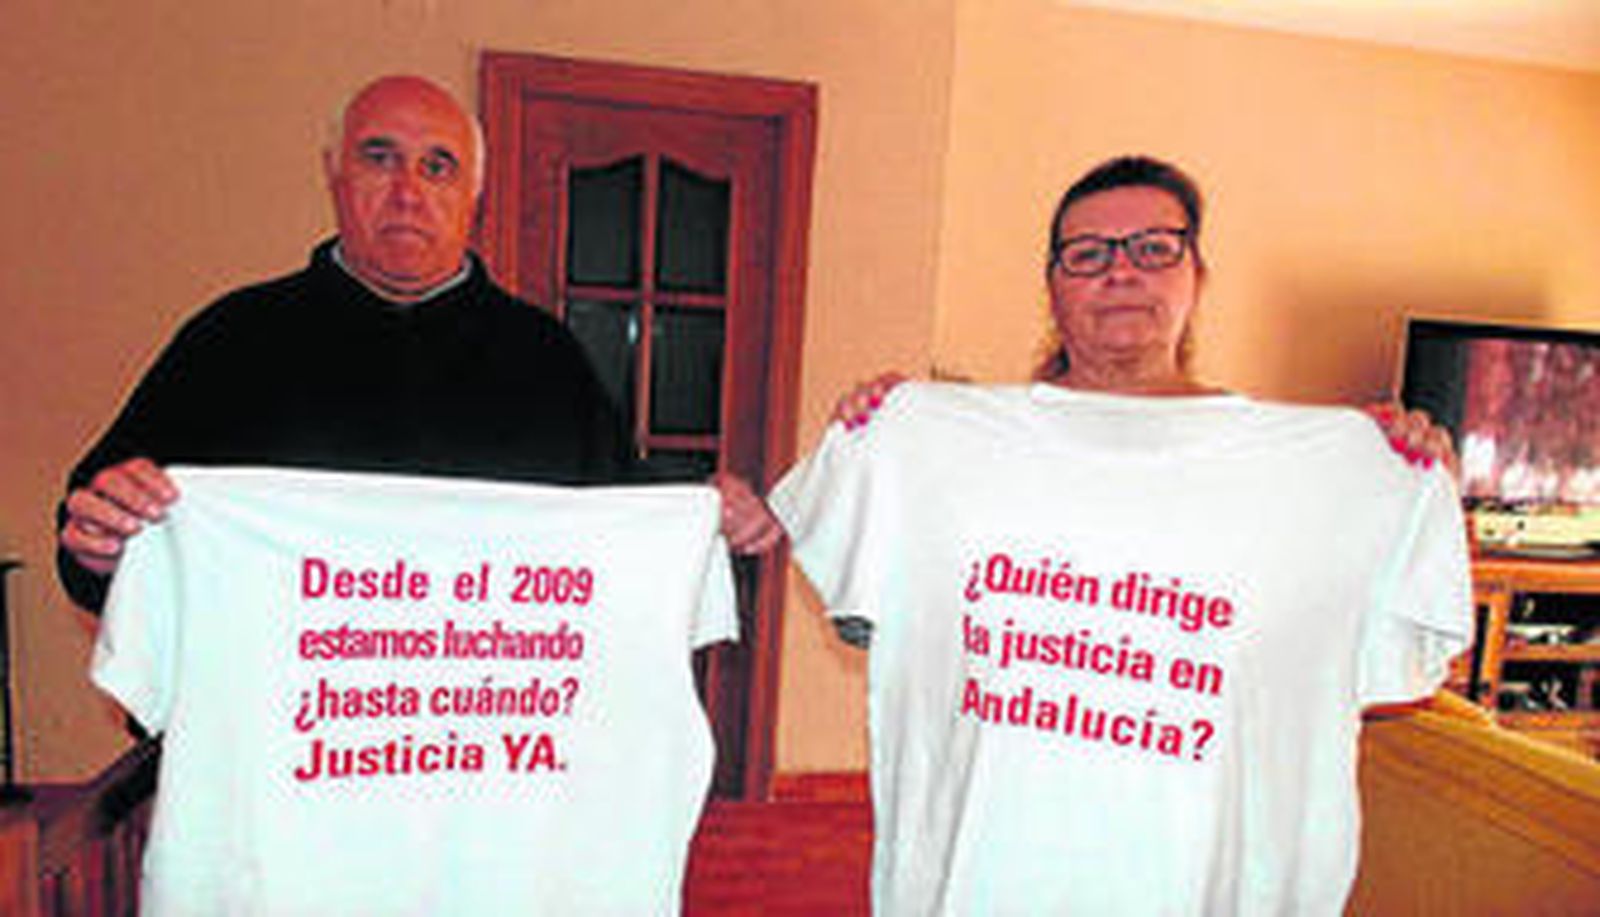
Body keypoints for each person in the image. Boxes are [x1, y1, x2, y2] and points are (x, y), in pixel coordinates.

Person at [768, 156, 1473, 914]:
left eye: (1154, 247)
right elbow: (874, 622)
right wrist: (880, 443)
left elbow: (1380, 672)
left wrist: (1404, 484)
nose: (1121, 271)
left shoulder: (1327, 475)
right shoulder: (929, 441)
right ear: (1052, 286)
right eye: (1088, 253)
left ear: (1197, 274)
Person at [56, 74, 778, 612]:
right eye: (380, 157)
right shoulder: (230, 341)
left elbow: (622, 520)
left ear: (474, 198)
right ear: (334, 176)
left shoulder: (544, 358)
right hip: (272, 746)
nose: (408, 192)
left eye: (438, 166)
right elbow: (95, 532)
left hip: (481, 741)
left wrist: (704, 512)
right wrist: (101, 543)